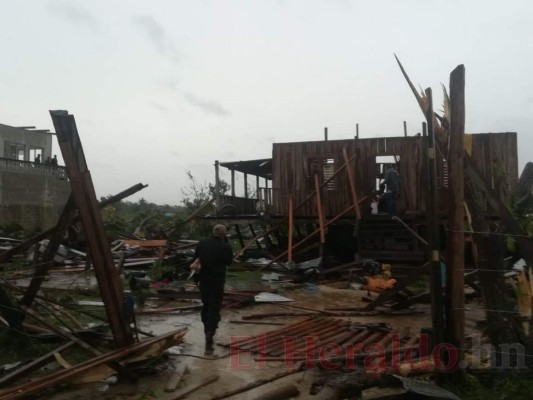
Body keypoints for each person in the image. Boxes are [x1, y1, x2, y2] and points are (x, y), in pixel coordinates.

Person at [190, 224, 233, 355]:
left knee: (206, 305)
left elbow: (195, 260)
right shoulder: (226, 246)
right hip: (217, 282)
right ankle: (210, 334)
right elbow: (229, 262)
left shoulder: (203, 243)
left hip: (204, 280)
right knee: (214, 308)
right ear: (224, 234)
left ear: (213, 232)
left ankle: (206, 331)